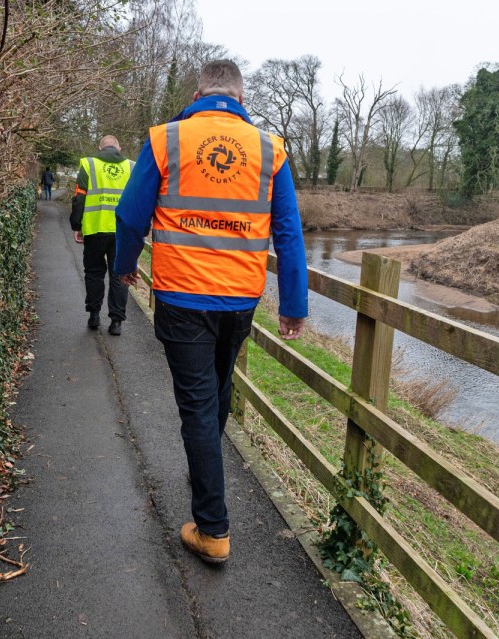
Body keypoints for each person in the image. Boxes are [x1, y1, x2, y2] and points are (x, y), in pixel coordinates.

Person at [114, 59, 308, 564]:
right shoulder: (271, 150)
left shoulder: (166, 139)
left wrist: (124, 264)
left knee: (201, 404)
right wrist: (293, 305)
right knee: (217, 390)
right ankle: (207, 468)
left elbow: (130, 214)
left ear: (199, 92)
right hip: (241, 300)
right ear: (241, 98)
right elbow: (287, 232)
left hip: (182, 298)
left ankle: (213, 529)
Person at [70, 136, 134, 335]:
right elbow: (139, 200)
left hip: (95, 229)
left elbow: (79, 197)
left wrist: (76, 225)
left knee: (94, 273)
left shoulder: (89, 165)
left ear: (100, 148)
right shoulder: (132, 167)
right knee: (119, 276)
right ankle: (116, 322)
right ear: (119, 147)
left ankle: (94, 315)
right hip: (121, 232)